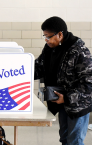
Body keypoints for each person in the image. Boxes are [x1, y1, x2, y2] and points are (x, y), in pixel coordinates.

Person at [34, 16, 92, 145]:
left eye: (48, 36)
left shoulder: (79, 52)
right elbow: (39, 67)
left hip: (77, 105)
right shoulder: (50, 48)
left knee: (74, 142)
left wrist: (67, 98)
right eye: (44, 36)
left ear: (60, 34)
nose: (46, 40)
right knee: (65, 139)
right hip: (62, 104)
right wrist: (19, 72)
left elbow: (89, 83)